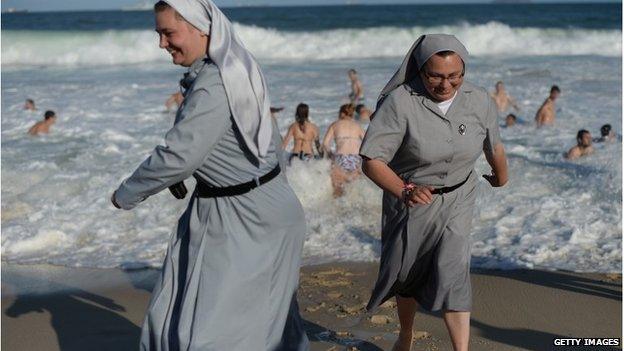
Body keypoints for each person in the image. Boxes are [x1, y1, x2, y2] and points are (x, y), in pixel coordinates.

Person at [111, 1, 309, 350]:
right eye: (158, 34)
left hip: (242, 217)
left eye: (168, 33)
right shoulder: (236, 67)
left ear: (201, 28)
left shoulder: (213, 83)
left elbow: (178, 155)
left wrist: (126, 194)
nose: (161, 43)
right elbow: (265, 142)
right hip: (268, 205)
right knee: (269, 323)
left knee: (210, 331)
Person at [359, 34, 508, 351]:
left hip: (459, 196)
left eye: (454, 76)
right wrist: (405, 190)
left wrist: (501, 175)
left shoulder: (479, 100)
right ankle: (406, 334)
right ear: (420, 69)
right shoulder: (400, 102)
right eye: (436, 76)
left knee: (454, 271)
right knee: (409, 276)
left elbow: (493, 144)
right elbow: (372, 161)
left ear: (464, 71)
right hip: (412, 201)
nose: (445, 84)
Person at [323, 103, 365, 197]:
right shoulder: (357, 126)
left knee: (338, 190)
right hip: (356, 158)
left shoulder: (335, 125)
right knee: (356, 191)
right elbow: (367, 142)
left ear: (342, 113)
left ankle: (339, 210)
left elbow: (325, 144)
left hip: (341, 158)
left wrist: (331, 156)